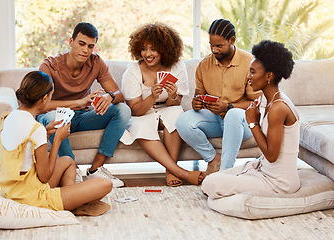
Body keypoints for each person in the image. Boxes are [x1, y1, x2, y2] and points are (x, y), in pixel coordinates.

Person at [0, 71, 112, 216]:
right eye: (51, 96)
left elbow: (22, 146)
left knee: (68, 161)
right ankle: (70, 206)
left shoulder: (8, 117)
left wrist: (46, 131)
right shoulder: (35, 129)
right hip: (31, 197)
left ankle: (71, 202)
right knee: (106, 184)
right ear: (44, 98)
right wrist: (57, 140)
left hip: (11, 189)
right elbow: (44, 177)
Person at [202, 40, 300, 199]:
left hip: (278, 183)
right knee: (212, 179)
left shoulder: (278, 107)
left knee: (210, 184)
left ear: (269, 76)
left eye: (253, 72)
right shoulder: (273, 101)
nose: (248, 76)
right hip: (265, 169)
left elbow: (272, 155)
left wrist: (253, 123)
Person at [37, 22, 131, 188]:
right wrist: (78, 102)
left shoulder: (96, 63)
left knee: (122, 110)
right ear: (70, 41)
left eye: (90, 46)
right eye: (81, 44)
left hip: (82, 117)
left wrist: (109, 96)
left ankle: (96, 169)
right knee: (53, 117)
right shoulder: (50, 66)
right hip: (56, 117)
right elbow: (40, 106)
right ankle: (71, 170)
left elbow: (119, 95)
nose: (85, 50)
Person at [120, 22, 205, 186]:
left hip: (167, 109)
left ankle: (170, 171)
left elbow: (175, 104)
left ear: (165, 49)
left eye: (153, 49)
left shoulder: (177, 66)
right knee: (140, 125)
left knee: (176, 114)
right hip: (142, 113)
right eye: (143, 49)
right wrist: (152, 96)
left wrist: (173, 95)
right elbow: (135, 111)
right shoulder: (133, 70)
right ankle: (180, 172)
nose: (147, 54)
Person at [176, 19, 262, 175]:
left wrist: (229, 107)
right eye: (211, 45)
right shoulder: (204, 65)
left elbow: (255, 103)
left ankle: (225, 172)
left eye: (219, 46)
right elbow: (199, 96)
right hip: (215, 120)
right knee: (182, 121)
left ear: (232, 41)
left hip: (241, 122)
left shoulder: (249, 63)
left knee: (233, 114)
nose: (214, 50)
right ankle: (214, 159)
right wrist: (197, 103)